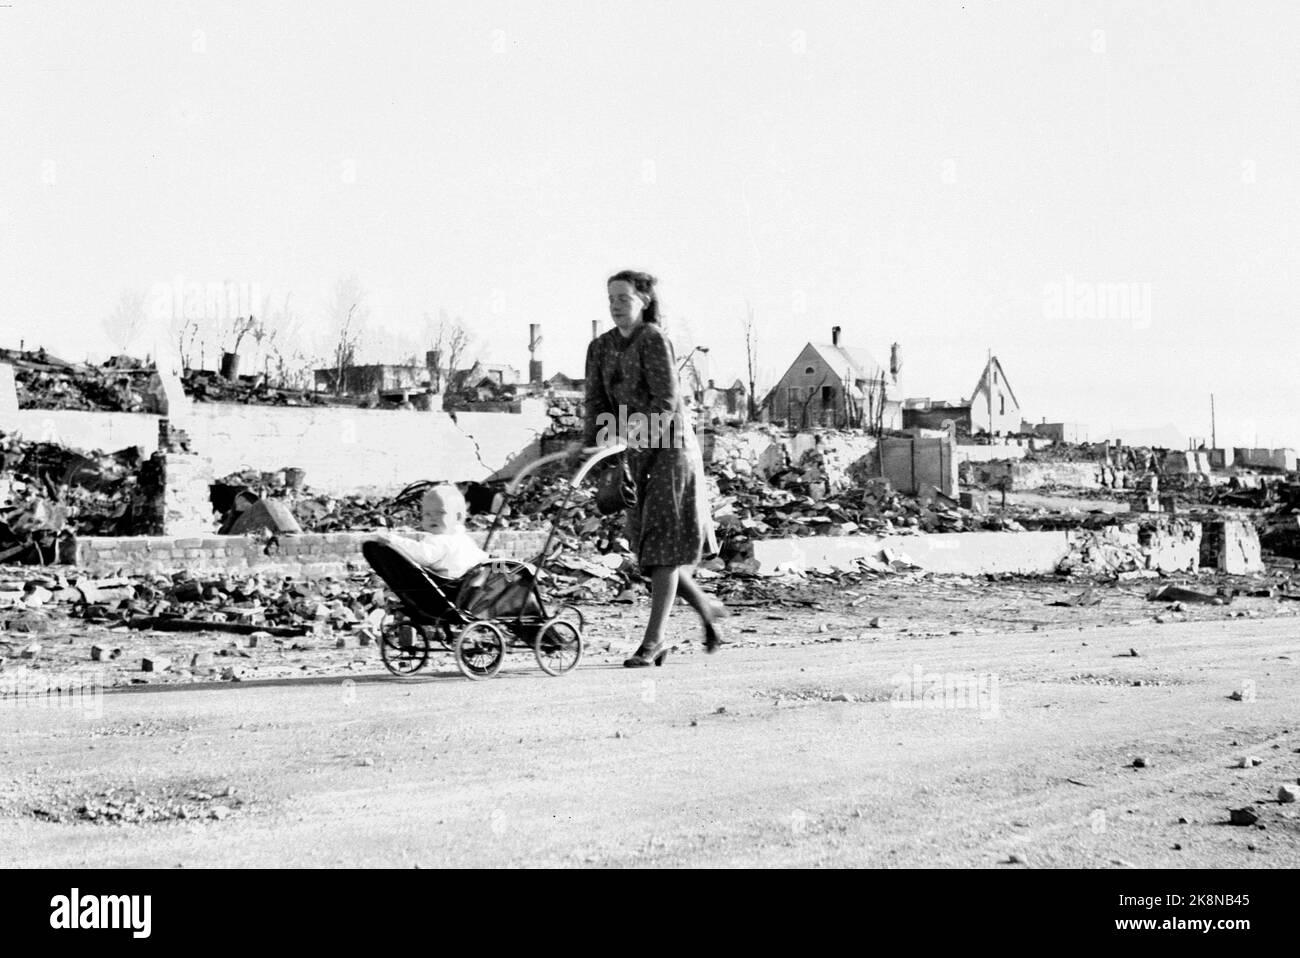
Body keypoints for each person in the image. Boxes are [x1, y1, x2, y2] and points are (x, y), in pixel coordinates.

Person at [576, 269, 727, 668]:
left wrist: (632, 439)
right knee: (649, 549)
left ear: (643, 301)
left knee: (662, 547)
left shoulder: (654, 340)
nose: (615, 305)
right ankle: (706, 609)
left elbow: (666, 400)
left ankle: (653, 641)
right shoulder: (599, 348)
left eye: (623, 298)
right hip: (630, 452)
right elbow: (596, 404)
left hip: (670, 448)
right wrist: (599, 453)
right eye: (610, 298)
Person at [367, 484, 488, 580]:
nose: (432, 517)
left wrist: (394, 541)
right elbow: (481, 559)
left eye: (440, 512)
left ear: (457, 517)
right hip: (464, 590)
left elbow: (422, 554)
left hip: (446, 588)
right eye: (427, 514)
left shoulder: (441, 540)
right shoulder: (465, 540)